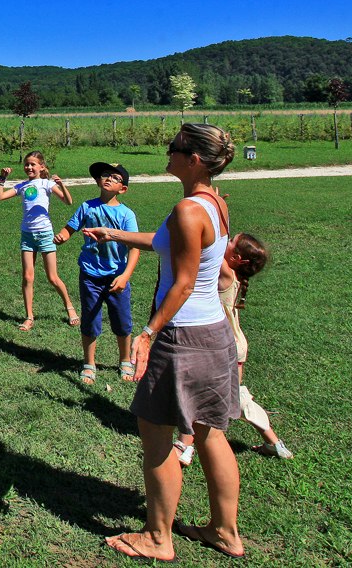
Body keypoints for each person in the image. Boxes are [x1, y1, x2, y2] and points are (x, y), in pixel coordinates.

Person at [84, 123, 246, 562]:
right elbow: (164, 244)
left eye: (174, 147)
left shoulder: (187, 210)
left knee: (155, 436)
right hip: (213, 335)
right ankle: (225, 532)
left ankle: (158, 537)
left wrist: (148, 333)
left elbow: (185, 283)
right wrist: (113, 234)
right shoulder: (212, 203)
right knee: (211, 433)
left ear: (193, 158)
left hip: (182, 336)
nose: (167, 151)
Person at [173, 232, 293, 465]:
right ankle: (274, 443)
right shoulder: (235, 273)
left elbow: (206, 245)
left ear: (237, 258)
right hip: (234, 345)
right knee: (235, 396)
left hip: (222, 345)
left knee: (195, 391)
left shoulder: (226, 273)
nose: (224, 243)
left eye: (230, 242)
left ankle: (185, 446)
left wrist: (212, 220)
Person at [55, 162, 140, 384]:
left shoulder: (126, 214)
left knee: (122, 322)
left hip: (116, 277)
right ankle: (89, 364)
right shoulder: (87, 207)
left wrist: (125, 276)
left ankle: (125, 360)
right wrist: (63, 236)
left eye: (115, 177)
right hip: (90, 275)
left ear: (123, 189)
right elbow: (70, 227)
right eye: (105, 175)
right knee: (90, 319)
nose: (108, 178)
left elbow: (134, 247)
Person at [0, 151, 77, 330]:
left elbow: (68, 202)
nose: (29, 167)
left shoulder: (46, 184)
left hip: (45, 234)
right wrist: (2, 179)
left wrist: (61, 185)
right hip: (27, 236)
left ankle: (70, 308)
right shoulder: (22, 186)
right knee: (27, 276)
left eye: (33, 164)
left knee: (53, 277)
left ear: (41, 167)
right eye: (27, 164)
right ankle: (29, 317)